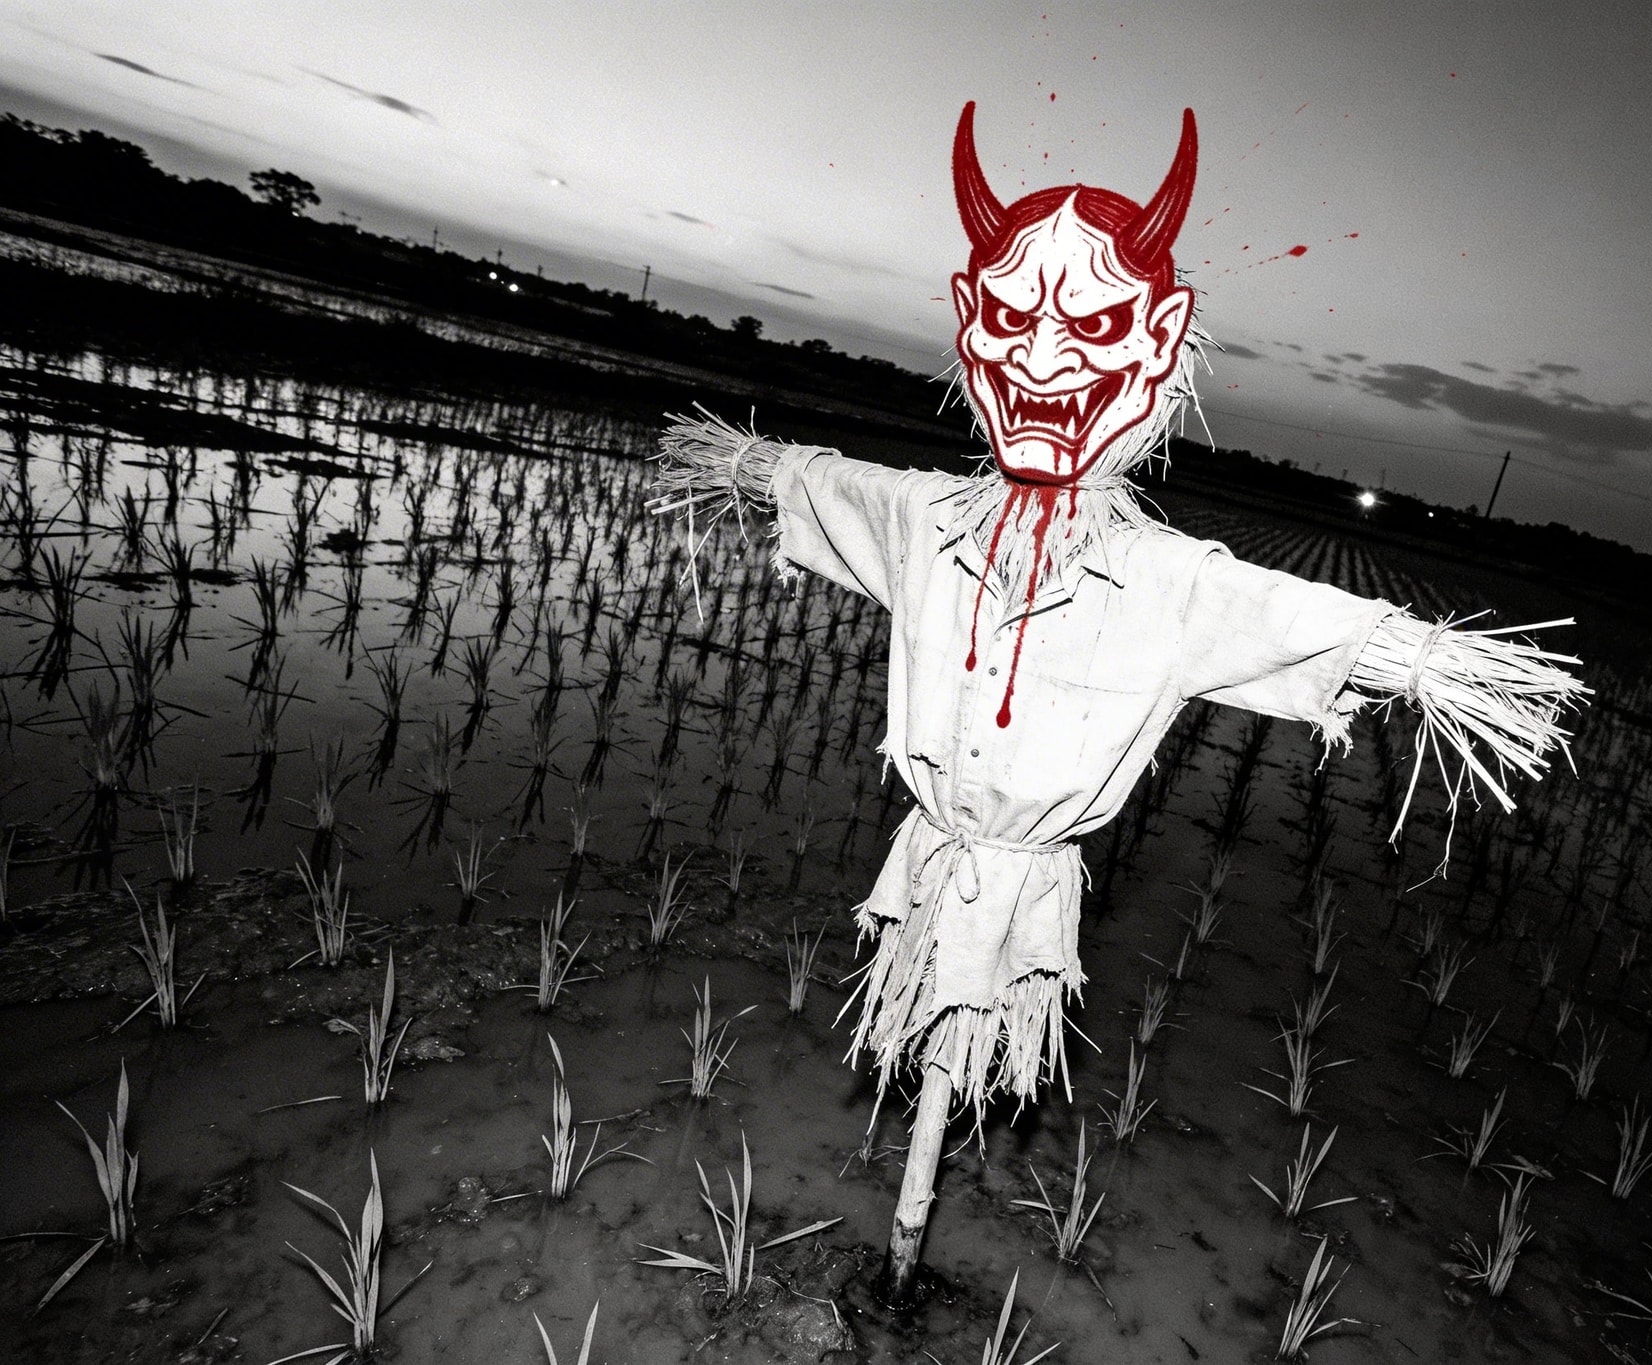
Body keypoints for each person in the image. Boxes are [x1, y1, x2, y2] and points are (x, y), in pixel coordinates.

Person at [652, 101, 1585, 1288]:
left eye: (1089, 325)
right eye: (1010, 320)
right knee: (921, 1069)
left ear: (1159, 345)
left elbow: (1305, 620)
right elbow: (819, 481)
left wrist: (1443, 667)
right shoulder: (926, 517)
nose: (1043, 359)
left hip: (1025, 867)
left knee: (960, 1068)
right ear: (967, 323)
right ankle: (898, 1253)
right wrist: (739, 461)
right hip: (938, 846)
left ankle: (907, 1260)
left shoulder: (1166, 580)